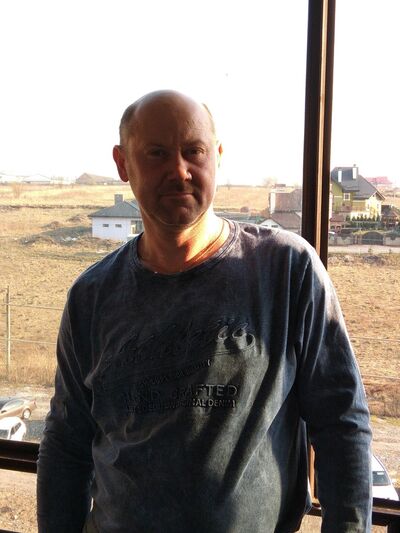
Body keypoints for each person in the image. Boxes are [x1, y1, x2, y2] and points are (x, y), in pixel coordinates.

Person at [37, 90, 372, 532]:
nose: (179, 170)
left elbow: (342, 423)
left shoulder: (286, 270)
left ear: (217, 155)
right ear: (122, 163)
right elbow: (66, 444)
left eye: (194, 151)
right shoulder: (92, 297)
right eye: (157, 153)